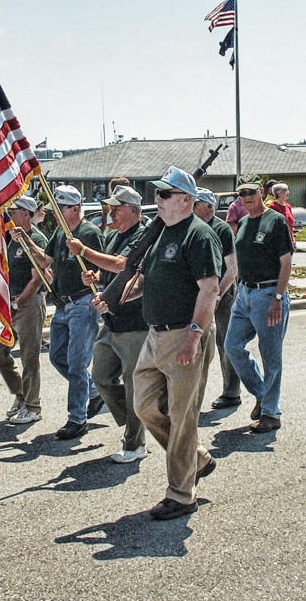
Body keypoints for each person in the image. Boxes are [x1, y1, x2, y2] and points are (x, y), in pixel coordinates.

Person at [132, 166, 221, 520]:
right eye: (157, 193)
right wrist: (114, 299)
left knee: (183, 416)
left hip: (184, 334)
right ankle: (195, 459)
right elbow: (145, 282)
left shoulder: (198, 235)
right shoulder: (161, 235)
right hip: (155, 335)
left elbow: (210, 289)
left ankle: (181, 494)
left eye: (165, 194)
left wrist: (194, 336)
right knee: (144, 405)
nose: (158, 199)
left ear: (187, 200)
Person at [66, 185, 149, 463]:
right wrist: (94, 276)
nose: (111, 212)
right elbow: (108, 271)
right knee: (101, 377)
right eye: (110, 206)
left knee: (132, 383)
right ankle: (140, 416)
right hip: (111, 321)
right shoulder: (114, 235)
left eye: (117, 207)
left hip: (135, 322)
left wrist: (85, 251)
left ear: (133, 211)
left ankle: (134, 443)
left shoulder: (141, 236)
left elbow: (121, 265)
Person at [225, 178, 292, 433]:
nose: (246, 197)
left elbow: (285, 263)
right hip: (244, 293)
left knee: (270, 356)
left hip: (268, 292)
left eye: (251, 192)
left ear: (261, 193)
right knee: (232, 346)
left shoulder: (275, 220)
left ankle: (271, 414)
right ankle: (263, 394)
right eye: (242, 193)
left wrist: (278, 297)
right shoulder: (242, 222)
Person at [42, 185, 105, 440]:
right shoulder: (59, 233)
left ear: (75, 209)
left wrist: (94, 276)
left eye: (60, 210)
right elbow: (45, 260)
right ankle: (94, 392)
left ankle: (77, 418)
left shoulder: (89, 233)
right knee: (58, 356)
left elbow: (105, 267)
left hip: (83, 301)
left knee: (78, 363)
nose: (55, 215)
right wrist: (24, 239)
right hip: (62, 304)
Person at [0, 196, 49, 424]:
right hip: (9, 303)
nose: (9, 215)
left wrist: (19, 302)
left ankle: (33, 407)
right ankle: (20, 393)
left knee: (29, 356)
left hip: (29, 303)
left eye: (13, 211)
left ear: (26, 214)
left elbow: (39, 277)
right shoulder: (11, 237)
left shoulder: (36, 238)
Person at [193, 188, 241, 410]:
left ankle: (231, 392)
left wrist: (218, 295)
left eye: (196, 203)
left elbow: (231, 270)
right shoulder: (192, 227)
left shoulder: (221, 229)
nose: (192, 207)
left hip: (222, 293)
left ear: (209, 206)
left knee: (225, 341)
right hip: (199, 293)